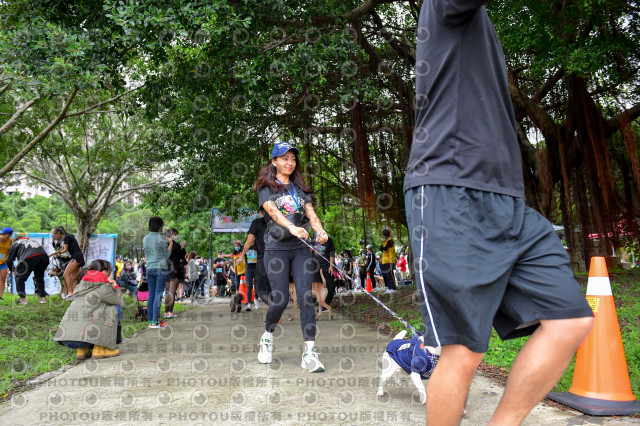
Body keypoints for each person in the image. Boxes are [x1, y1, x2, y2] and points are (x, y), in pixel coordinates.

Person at [404, 2, 595, 424]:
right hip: (449, 191)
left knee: (571, 321)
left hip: (509, 200)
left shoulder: (476, 24)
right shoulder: (444, 6)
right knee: (463, 349)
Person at [254, 141, 328, 372]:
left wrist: (320, 231)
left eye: (293, 159)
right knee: (281, 300)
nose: (290, 162)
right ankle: (267, 337)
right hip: (276, 249)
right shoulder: (266, 188)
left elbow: (311, 214)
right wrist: (292, 227)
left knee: (306, 297)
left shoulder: (299, 189)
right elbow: (272, 211)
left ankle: (309, 352)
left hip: (300, 248)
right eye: (285, 158)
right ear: (274, 161)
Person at [54, 259, 124, 359]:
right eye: (109, 271)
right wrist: (115, 285)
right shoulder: (103, 287)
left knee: (92, 311)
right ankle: (100, 348)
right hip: (84, 338)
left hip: (66, 338)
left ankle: (82, 350)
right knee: (116, 309)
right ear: (104, 272)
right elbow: (120, 302)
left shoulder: (80, 285)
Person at [237, 211, 271, 310]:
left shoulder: (257, 243)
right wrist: (241, 256)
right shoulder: (245, 247)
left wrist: (241, 256)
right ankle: (249, 303)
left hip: (261, 264)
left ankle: (270, 305)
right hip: (251, 268)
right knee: (251, 286)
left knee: (260, 288)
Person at [142, 216, 172, 328]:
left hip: (149, 268)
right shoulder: (161, 239)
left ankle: (150, 321)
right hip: (160, 269)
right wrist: (170, 243)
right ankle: (155, 321)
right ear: (159, 226)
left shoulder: (145, 238)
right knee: (158, 294)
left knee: (151, 294)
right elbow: (166, 255)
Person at [6, 235, 49, 304]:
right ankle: (43, 298)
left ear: (15, 239)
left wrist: (13, 270)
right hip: (44, 257)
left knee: (19, 278)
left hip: (29, 257)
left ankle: (23, 299)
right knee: (39, 278)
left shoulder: (15, 243)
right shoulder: (33, 241)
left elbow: (9, 260)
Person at [50, 227, 85, 299]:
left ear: (59, 233)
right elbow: (62, 249)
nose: (54, 237)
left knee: (66, 274)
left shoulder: (66, 237)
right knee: (73, 278)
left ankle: (70, 293)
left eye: (54, 235)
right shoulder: (69, 237)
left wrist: (59, 253)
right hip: (79, 257)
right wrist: (51, 255)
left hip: (76, 257)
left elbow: (65, 250)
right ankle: (75, 294)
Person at [310, 233, 336, 305]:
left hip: (327, 266)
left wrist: (331, 266)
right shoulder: (313, 241)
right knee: (316, 286)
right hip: (315, 267)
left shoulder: (328, 240)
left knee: (330, 286)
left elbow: (332, 253)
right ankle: (317, 302)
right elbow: (309, 254)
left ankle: (327, 303)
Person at [165, 228, 186, 314]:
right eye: (175, 234)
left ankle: (166, 312)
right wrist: (183, 248)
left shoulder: (163, 244)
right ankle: (170, 312)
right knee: (172, 292)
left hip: (166, 269)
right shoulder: (176, 245)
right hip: (175, 270)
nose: (176, 236)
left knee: (168, 292)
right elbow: (181, 256)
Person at [379, 228, 397, 293]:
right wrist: (383, 249)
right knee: (386, 274)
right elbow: (381, 248)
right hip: (384, 260)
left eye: (385, 232)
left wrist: (384, 249)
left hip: (390, 259)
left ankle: (393, 288)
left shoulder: (390, 240)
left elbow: (385, 248)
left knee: (390, 274)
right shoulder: (384, 240)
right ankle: (389, 287)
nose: (384, 234)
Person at [0, 227, 13, 301]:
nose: (9, 237)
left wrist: (7, 259)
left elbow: (9, 251)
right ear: (3, 234)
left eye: (10, 235)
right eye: (8, 235)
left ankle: (0, 296)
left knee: (3, 278)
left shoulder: (10, 241)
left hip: (3, 262)